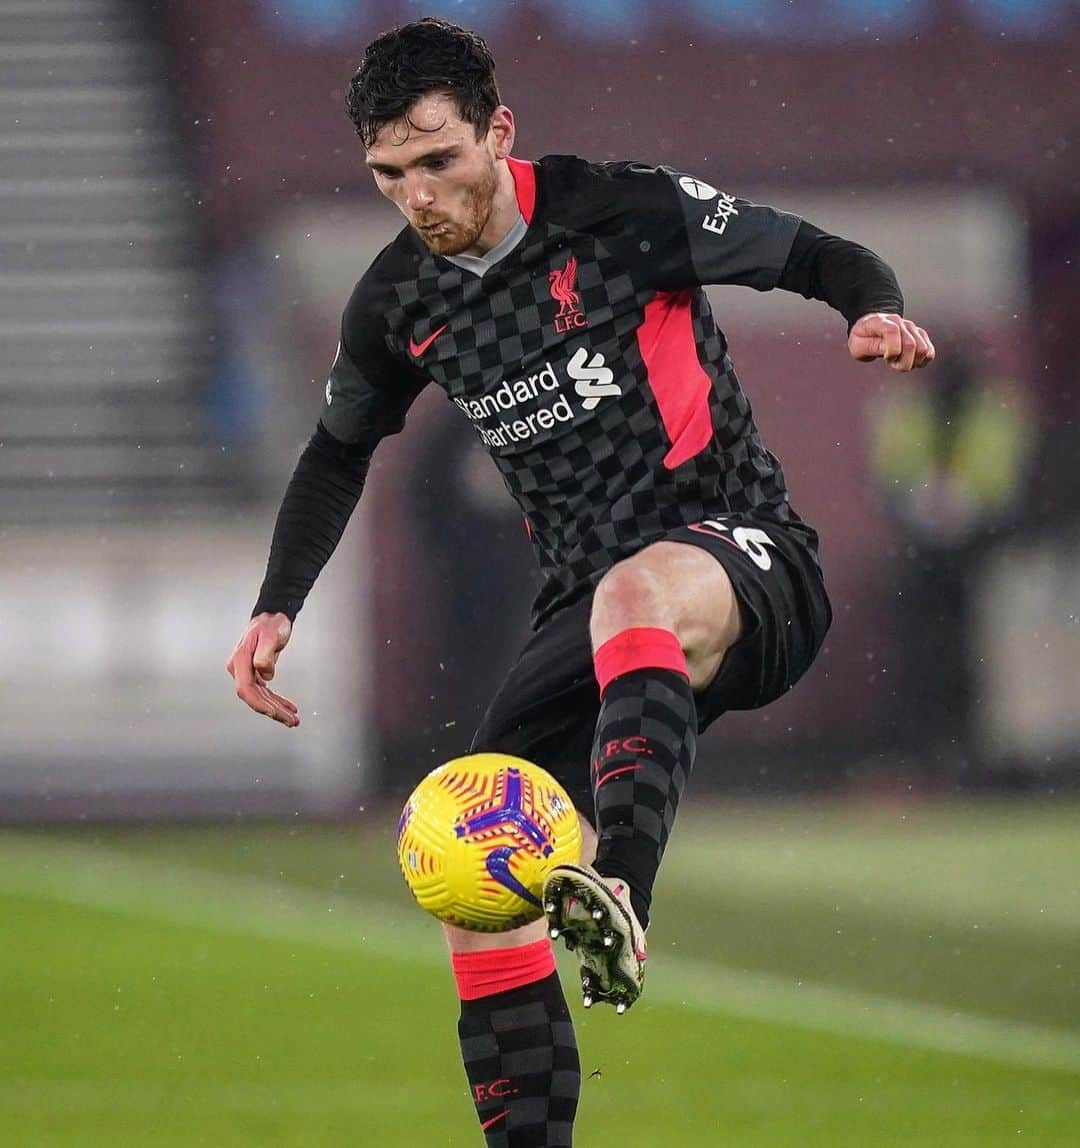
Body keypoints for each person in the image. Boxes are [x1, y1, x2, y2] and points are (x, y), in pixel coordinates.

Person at [226, 17, 934, 1146]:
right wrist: (278, 600)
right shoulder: (398, 301)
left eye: (439, 158)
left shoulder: (619, 209)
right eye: (389, 173)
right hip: (592, 607)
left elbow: (816, 254)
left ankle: (622, 890)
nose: (417, 192)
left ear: (499, 131)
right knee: (475, 861)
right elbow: (336, 450)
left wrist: (876, 308)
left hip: (748, 552)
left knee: (634, 594)